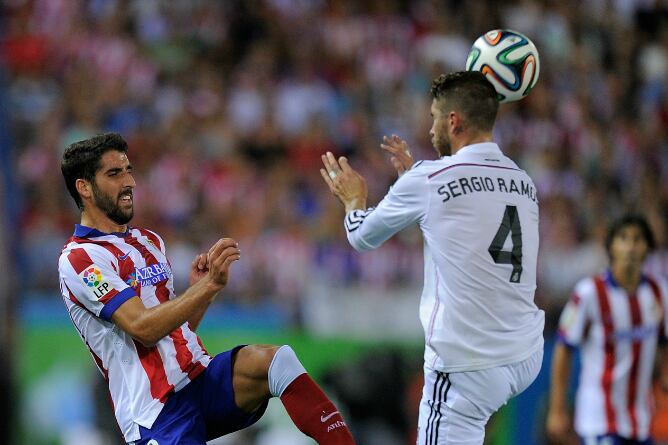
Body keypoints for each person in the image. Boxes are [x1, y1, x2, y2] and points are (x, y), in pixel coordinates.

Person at [57, 133, 355, 445]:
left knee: (276, 362)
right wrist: (208, 286)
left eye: (129, 170)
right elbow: (142, 328)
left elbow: (174, 332)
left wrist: (202, 292)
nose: (129, 181)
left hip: (199, 378)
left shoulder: (149, 241)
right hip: (156, 413)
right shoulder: (80, 259)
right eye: (114, 174)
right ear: (84, 187)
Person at [320, 71, 544, 445]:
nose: (430, 129)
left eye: (433, 117)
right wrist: (415, 182)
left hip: (467, 362)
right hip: (524, 353)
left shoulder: (431, 178)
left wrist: (353, 199)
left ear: (453, 120)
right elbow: (467, 222)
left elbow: (361, 236)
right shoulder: (522, 180)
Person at [547, 214, 668, 445]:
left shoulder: (659, 293)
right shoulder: (589, 293)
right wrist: (557, 408)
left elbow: (664, 340)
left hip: (642, 420)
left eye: (638, 239)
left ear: (648, 247)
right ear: (611, 246)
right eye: (623, 238)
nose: (631, 246)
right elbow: (564, 347)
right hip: (599, 420)